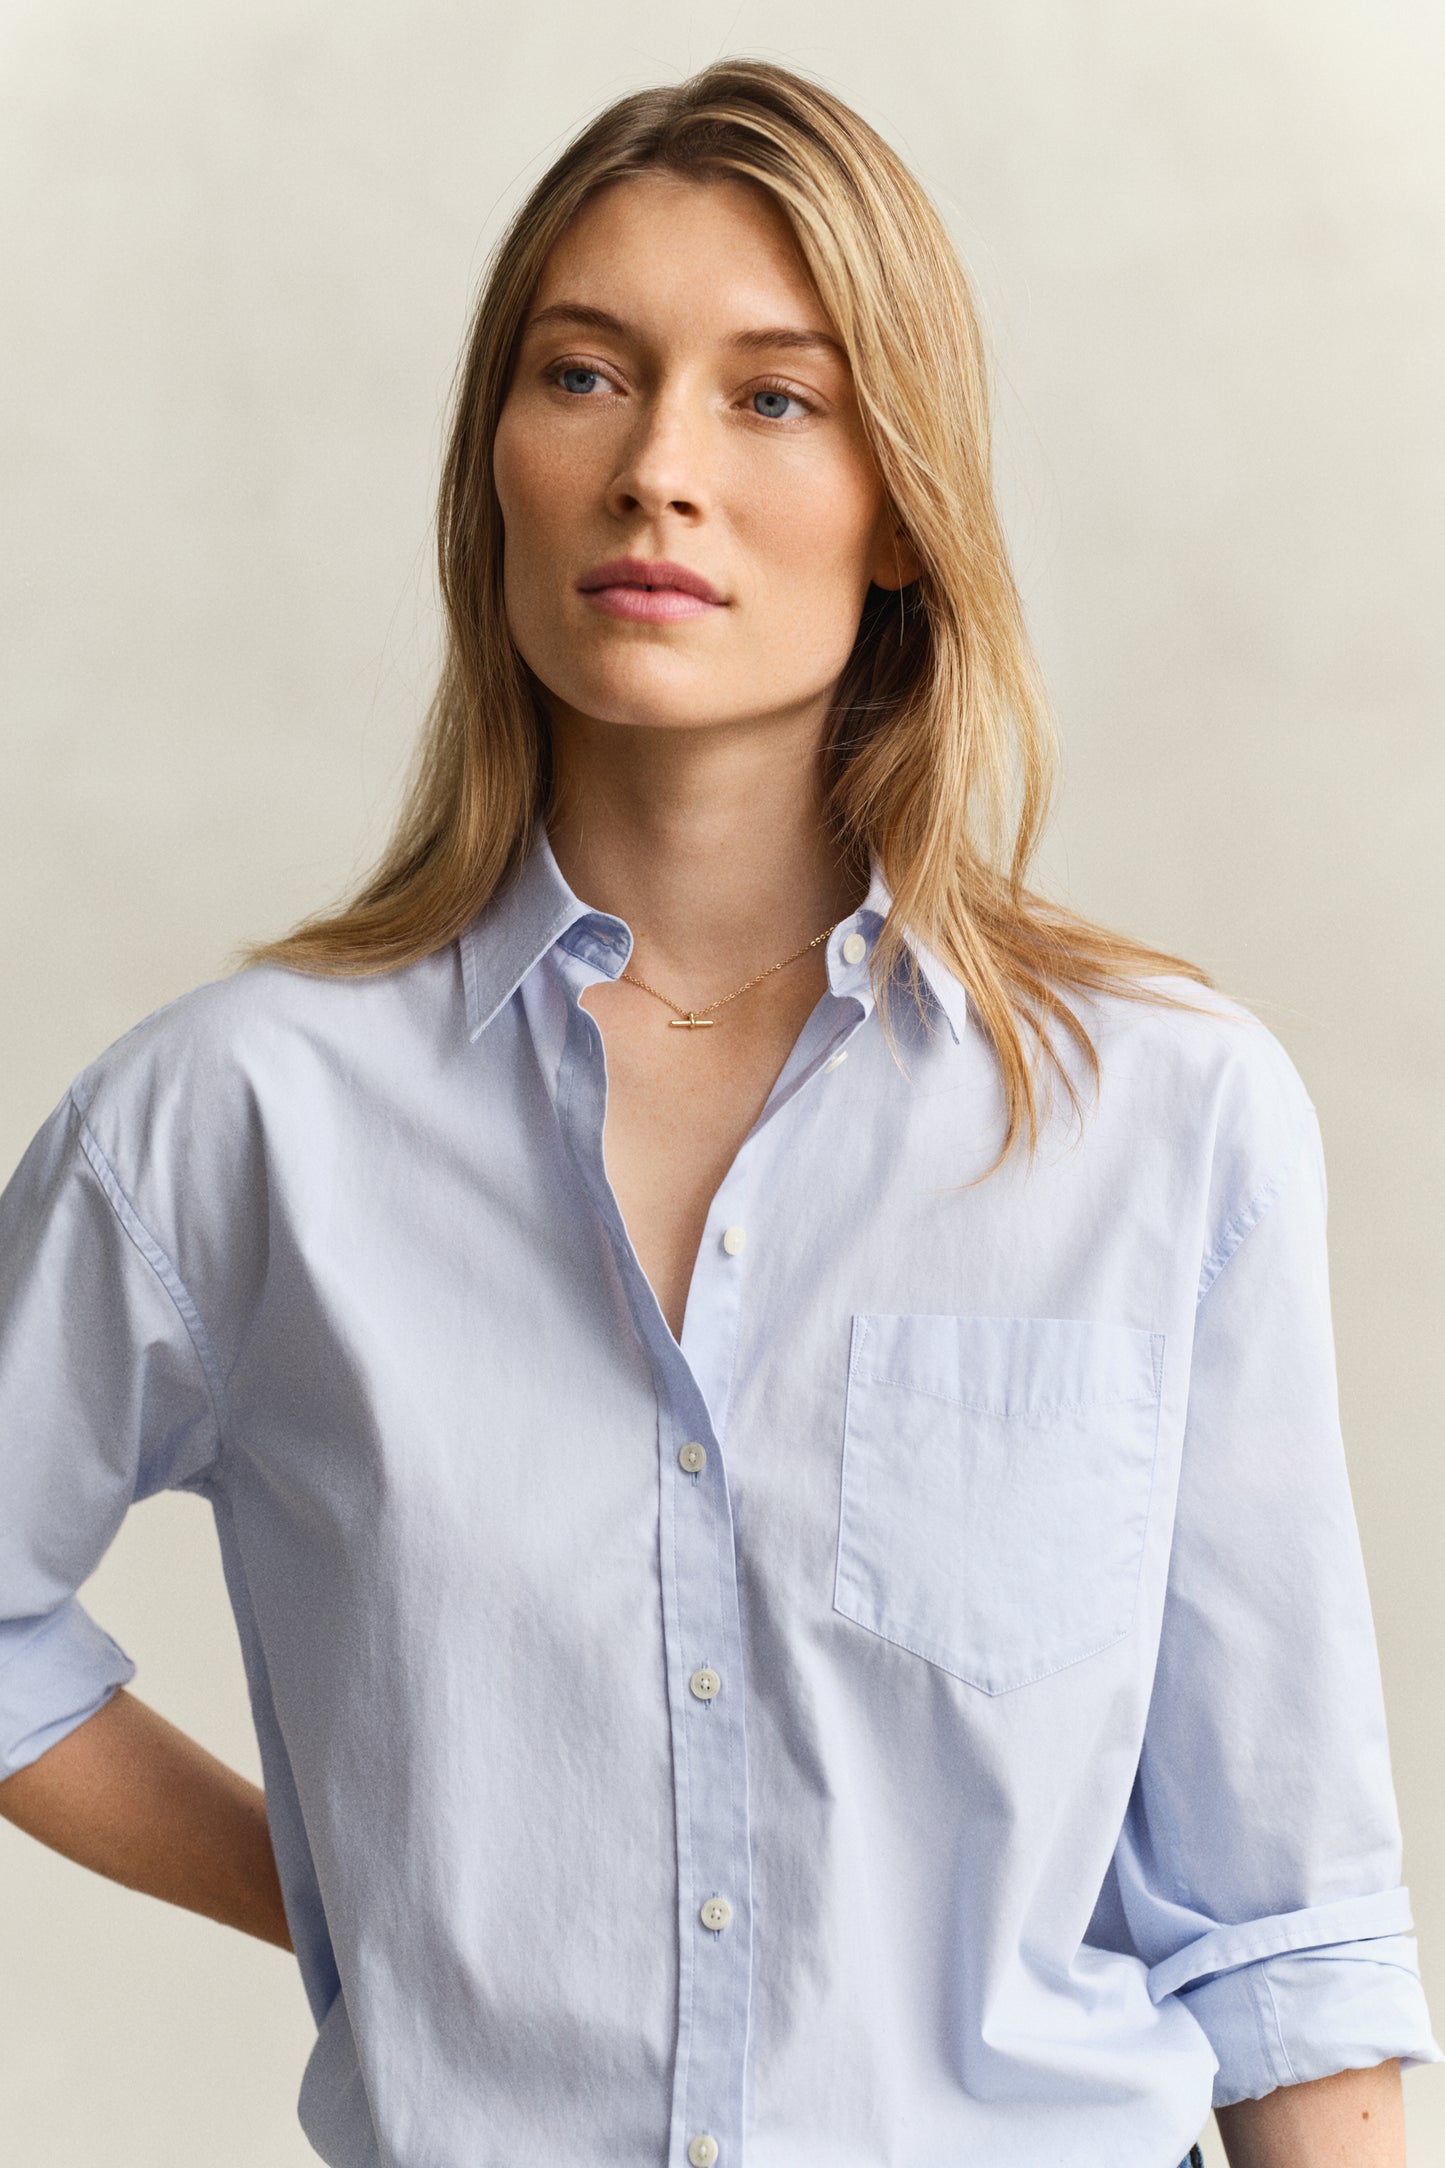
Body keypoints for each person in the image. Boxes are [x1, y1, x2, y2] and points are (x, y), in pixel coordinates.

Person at [0, 56, 1436, 2168]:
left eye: (775, 395)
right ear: (492, 462)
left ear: (904, 507)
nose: (657, 466)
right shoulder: (237, 1122)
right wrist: (344, 1894)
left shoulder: (1167, 1122)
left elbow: (1279, 1930)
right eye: (584, 374)